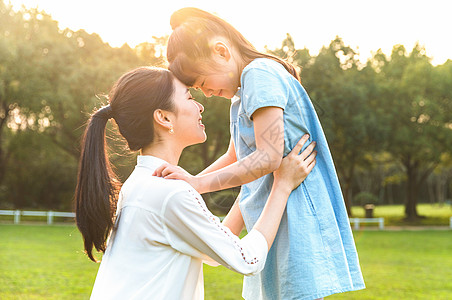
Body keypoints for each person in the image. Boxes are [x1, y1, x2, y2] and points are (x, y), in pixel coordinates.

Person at [160, 7, 365, 300]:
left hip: (295, 219)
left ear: (221, 51)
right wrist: (189, 183)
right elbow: (235, 154)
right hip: (273, 218)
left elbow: (268, 158)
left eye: (204, 83)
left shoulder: (259, 74)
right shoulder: (241, 96)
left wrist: (198, 184)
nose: (206, 94)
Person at [74, 66, 317, 299]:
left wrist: (253, 177)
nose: (200, 106)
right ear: (164, 118)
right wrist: (282, 185)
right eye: (189, 97)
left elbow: (213, 250)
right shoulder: (168, 194)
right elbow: (246, 259)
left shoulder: (141, 184)